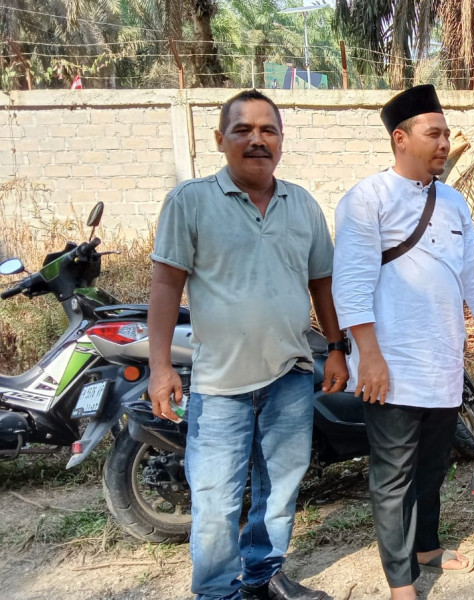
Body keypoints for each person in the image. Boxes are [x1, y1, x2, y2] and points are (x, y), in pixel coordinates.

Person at [148, 89, 348, 600]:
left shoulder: (301, 204)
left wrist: (337, 348)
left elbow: (321, 283)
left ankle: (262, 578)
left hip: (290, 376)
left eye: (268, 130)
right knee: (215, 501)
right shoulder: (190, 202)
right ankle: (216, 591)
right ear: (221, 140)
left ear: (281, 141)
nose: (257, 140)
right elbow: (167, 285)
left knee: (279, 492)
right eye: (243, 130)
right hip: (220, 385)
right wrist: (160, 366)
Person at [331, 84, 474, 600]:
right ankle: (401, 582)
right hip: (389, 365)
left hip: (442, 362)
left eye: (445, 134)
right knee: (393, 475)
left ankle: (426, 549)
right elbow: (349, 285)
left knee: (433, 465)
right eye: (433, 134)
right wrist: (367, 356)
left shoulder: (454, 202)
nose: (445, 143)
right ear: (400, 138)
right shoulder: (366, 199)